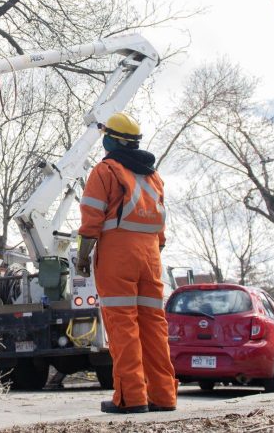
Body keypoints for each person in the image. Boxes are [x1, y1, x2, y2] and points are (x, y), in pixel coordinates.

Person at [76, 112, 178, 414]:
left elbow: (91, 220)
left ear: (112, 140)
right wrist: (153, 254)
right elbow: (160, 229)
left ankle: (131, 398)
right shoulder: (153, 176)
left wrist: (83, 257)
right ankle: (163, 396)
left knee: (123, 327)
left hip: (118, 256)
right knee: (153, 327)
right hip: (150, 257)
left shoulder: (105, 170)